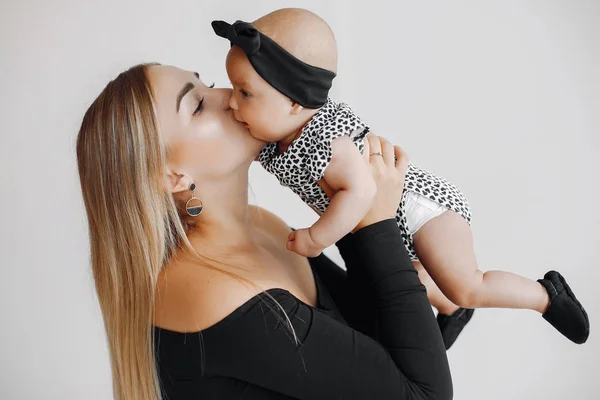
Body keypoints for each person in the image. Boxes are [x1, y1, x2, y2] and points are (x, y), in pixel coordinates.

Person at [212, 8, 590, 349]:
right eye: (232, 88)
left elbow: (361, 194)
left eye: (244, 93)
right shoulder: (273, 134)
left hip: (425, 212)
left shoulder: (327, 141)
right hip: (392, 229)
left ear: (293, 101)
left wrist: (316, 237)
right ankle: (450, 309)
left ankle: (545, 295)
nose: (232, 101)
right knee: (406, 281)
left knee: (465, 284)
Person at [76, 63, 453, 399]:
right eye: (197, 105)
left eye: (206, 83)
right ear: (173, 177)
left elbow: (381, 351)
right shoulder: (211, 291)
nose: (227, 96)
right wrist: (375, 222)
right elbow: (425, 393)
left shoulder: (263, 227)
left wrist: (409, 270)